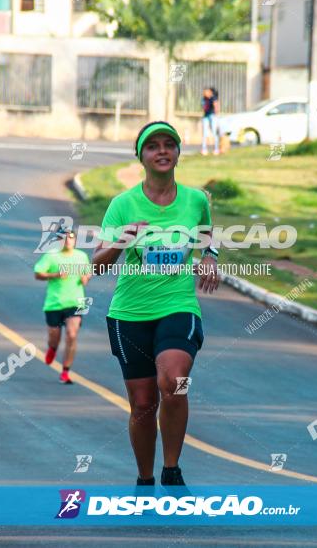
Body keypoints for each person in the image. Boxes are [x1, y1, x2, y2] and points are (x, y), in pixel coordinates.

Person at [93, 121, 220, 488]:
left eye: (169, 145)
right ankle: (145, 478)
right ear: (141, 157)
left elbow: (207, 233)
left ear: (178, 153)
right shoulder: (123, 204)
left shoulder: (196, 200)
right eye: (153, 146)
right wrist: (121, 240)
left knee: (175, 381)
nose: (162, 151)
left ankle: (172, 469)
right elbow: (97, 263)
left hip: (178, 304)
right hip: (129, 313)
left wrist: (209, 256)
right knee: (144, 403)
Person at [34, 225, 91, 384]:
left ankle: (65, 372)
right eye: (65, 237)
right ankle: (52, 348)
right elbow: (38, 274)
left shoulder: (81, 256)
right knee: (54, 337)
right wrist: (55, 274)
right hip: (54, 303)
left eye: (71, 237)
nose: (68, 240)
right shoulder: (51, 256)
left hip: (76, 302)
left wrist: (86, 277)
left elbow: (87, 272)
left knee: (72, 335)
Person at [201, 87, 220, 155]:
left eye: (205, 92)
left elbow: (216, 107)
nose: (204, 93)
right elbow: (203, 107)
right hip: (206, 116)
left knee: (214, 132)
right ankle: (204, 149)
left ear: (209, 92)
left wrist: (216, 117)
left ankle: (216, 149)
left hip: (212, 116)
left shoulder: (213, 98)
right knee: (204, 133)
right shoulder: (204, 99)